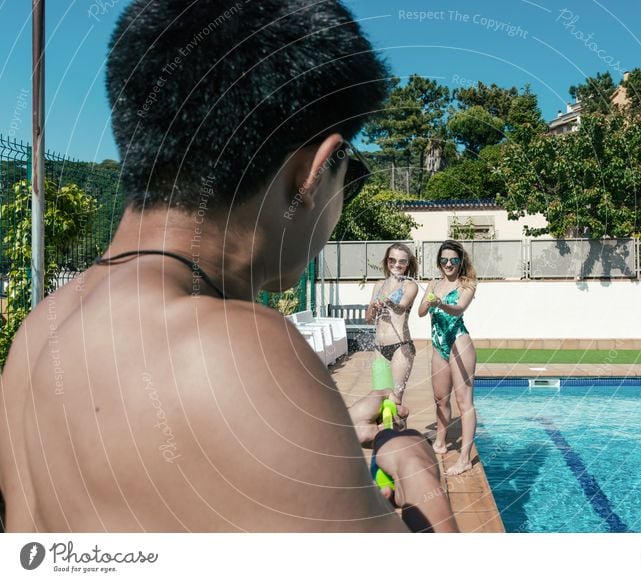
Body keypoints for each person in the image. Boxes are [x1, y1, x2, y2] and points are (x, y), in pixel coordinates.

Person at [0, 0, 456, 533]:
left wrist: (307, 437)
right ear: (312, 172)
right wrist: (416, 468)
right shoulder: (240, 355)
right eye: (349, 175)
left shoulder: (38, 333)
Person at [418, 240, 477, 476]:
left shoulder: (467, 284)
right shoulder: (433, 283)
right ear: (439, 262)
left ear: (460, 261)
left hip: (458, 342)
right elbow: (422, 312)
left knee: (465, 402)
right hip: (438, 344)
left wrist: (441, 302)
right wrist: (429, 298)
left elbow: (459, 308)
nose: (449, 264)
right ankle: (440, 443)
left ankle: (465, 459)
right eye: (444, 260)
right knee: (440, 398)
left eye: (453, 260)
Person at [366, 243, 419, 406]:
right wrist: (373, 309)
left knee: (395, 401)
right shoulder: (378, 285)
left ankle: (399, 432)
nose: (396, 264)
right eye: (392, 260)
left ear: (408, 264)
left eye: (402, 261)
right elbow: (368, 318)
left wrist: (389, 302)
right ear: (386, 261)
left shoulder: (410, 285)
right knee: (381, 400)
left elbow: (402, 307)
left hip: (400, 347)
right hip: (379, 348)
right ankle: (386, 432)